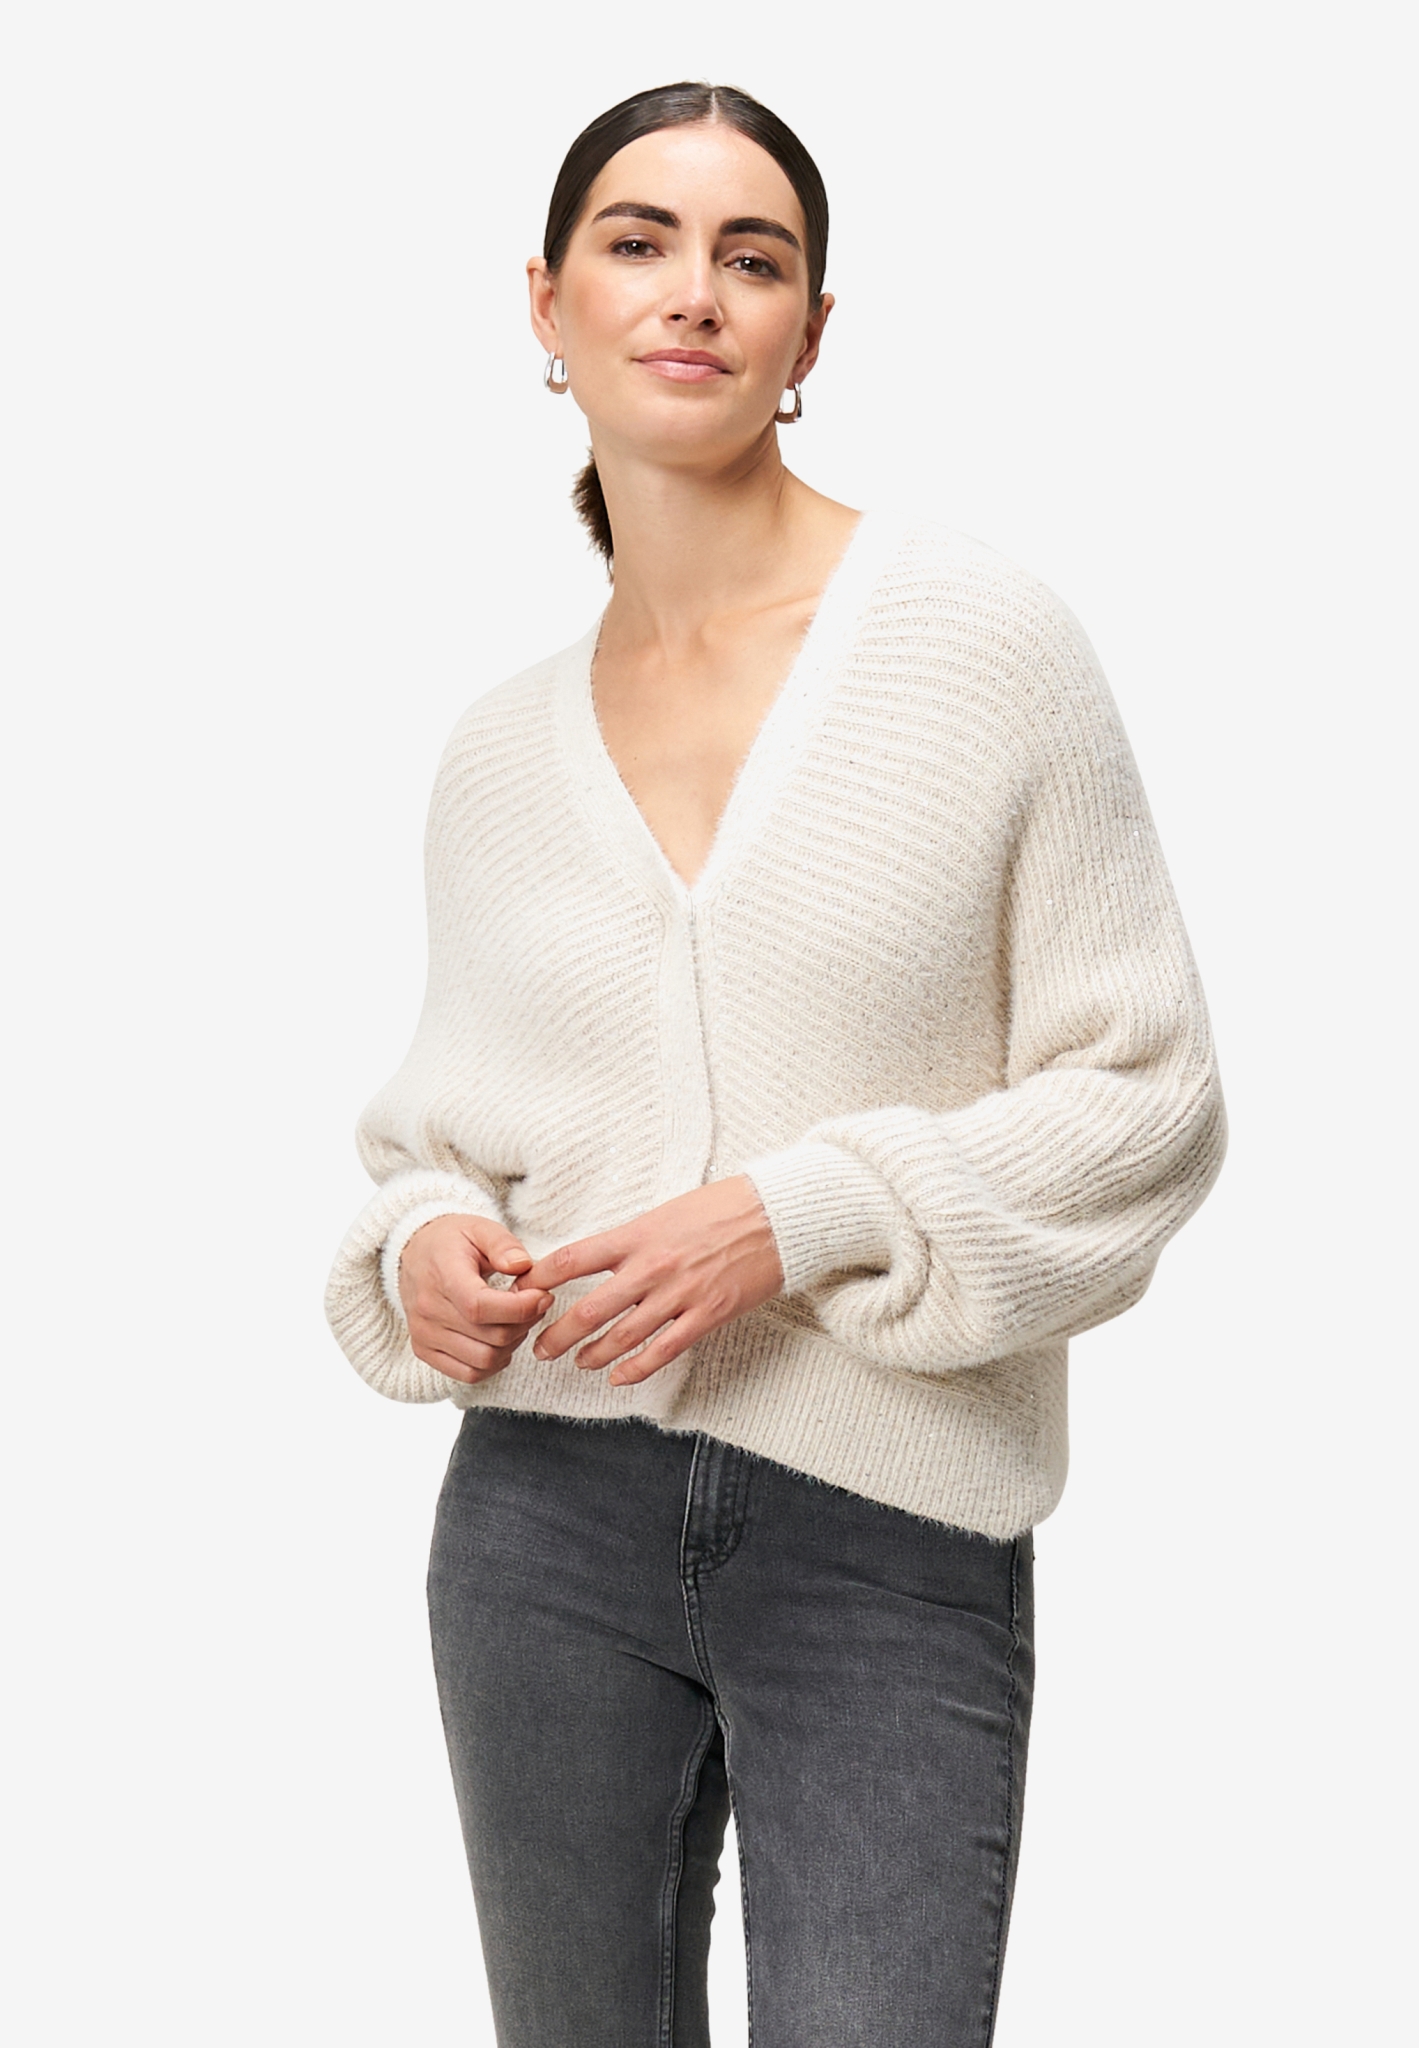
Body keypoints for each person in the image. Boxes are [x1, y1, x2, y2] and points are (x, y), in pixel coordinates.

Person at [325, 80, 1225, 2048]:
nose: (693, 292)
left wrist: (794, 1216)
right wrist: (424, 1249)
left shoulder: (979, 644)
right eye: (638, 242)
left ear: (809, 333)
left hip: (884, 1529)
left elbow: (1146, 1099)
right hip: (539, 1519)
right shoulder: (495, 752)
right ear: (547, 304)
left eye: (752, 258)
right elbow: (438, 1140)